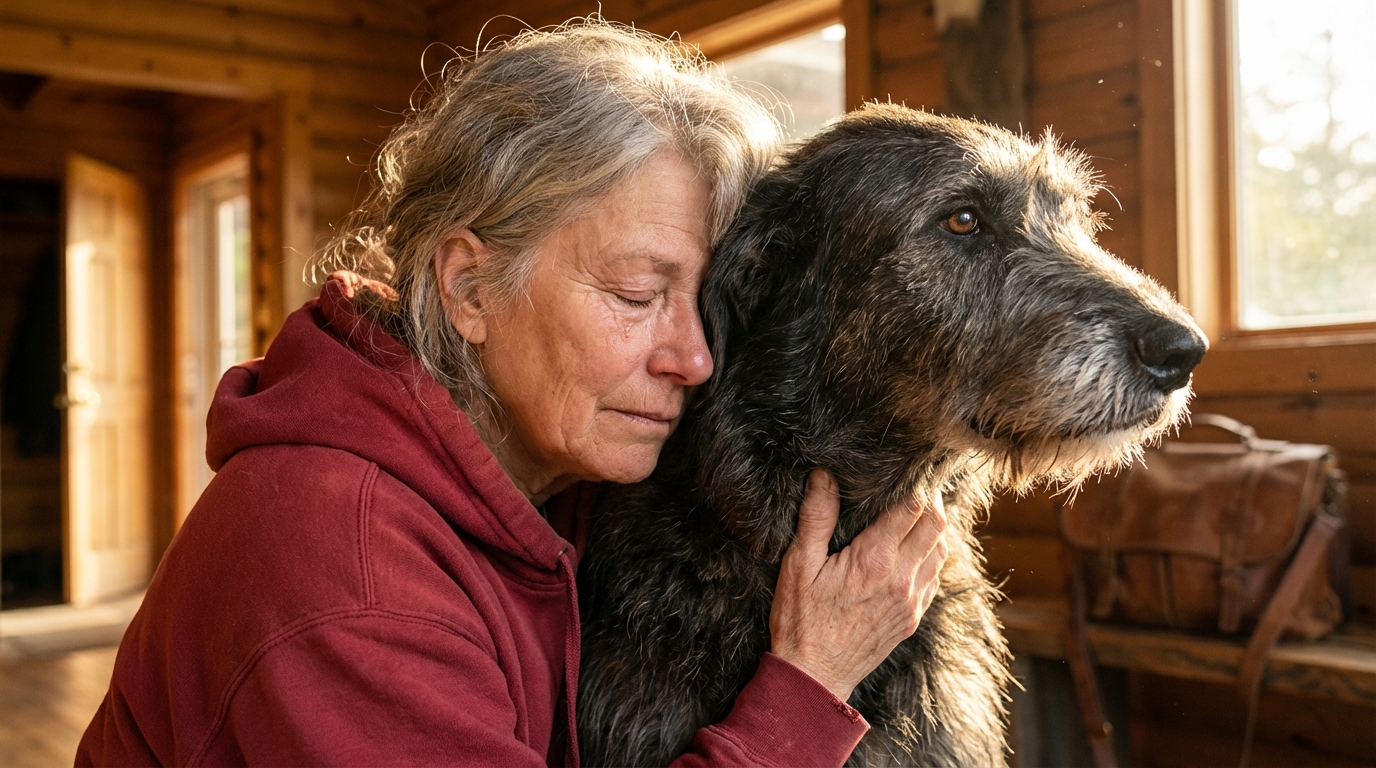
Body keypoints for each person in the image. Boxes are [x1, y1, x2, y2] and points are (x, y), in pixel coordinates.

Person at [76, 20, 948, 767]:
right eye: (637, 297)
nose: (693, 357)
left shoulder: (559, 464)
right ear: (468, 290)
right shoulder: (345, 568)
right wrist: (807, 687)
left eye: (702, 303)